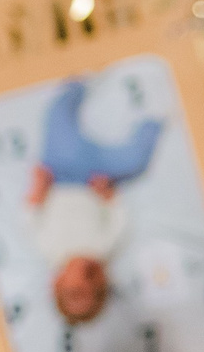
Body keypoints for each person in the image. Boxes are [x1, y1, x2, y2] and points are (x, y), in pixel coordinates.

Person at [26, 76, 161, 326]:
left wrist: (38, 188)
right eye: (97, 292)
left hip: (60, 176)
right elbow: (120, 218)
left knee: (60, 136)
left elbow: (31, 215)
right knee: (133, 163)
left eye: (76, 291)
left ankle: (73, 90)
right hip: (95, 179)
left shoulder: (48, 247)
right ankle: (153, 121)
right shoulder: (106, 247)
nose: (87, 284)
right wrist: (108, 195)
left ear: (56, 282)